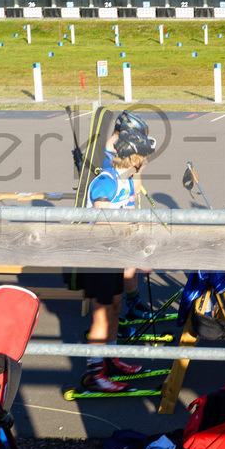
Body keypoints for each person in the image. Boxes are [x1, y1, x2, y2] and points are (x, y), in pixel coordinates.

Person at [81, 128, 155, 393]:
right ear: (133, 158)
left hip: (113, 254)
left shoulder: (126, 181)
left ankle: (109, 359)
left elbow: (132, 211)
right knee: (101, 315)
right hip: (97, 254)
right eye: (143, 158)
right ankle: (95, 372)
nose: (146, 162)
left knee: (114, 308)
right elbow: (103, 220)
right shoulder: (107, 181)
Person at [102, 110, 158, 322]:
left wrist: (138, 170)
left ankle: (131, 305)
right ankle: (119, 312)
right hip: (115, 217)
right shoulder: (109, 157)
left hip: (126, 208)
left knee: (131, 261)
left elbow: (133, 190)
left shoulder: (120, 150)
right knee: (127, 261)